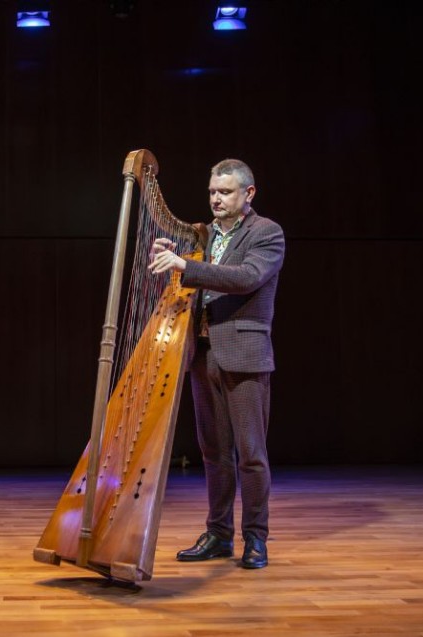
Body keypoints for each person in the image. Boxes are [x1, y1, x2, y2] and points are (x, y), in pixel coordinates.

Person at [148, 158, 284, 569]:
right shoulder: (202, 236)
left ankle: (256, 540)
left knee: (251, 454)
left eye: (225, 192)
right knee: (213, 454)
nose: (216, 199)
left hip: (244, 354)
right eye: (212, 191)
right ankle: (219, 534)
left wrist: (187, 266)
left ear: (249, 194)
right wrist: (169, 256)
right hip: (202, 354)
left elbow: (245, 278)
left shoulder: (267, 233)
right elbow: (192, 280)